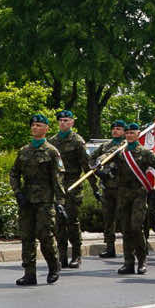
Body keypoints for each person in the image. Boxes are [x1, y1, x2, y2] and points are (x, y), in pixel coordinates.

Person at [103, 122, 155, 275]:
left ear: (138, 134)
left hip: (139, 193)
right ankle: (128, 262)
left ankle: (141, 260)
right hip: (123, 193)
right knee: (126, 228)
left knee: (136, 227)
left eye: (132, 133)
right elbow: (103, 158)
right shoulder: (120, 152)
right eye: (127, 133)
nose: (129, 135)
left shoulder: (145, 153)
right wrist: (99, 167)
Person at [9, 114, 66, 286]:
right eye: (33, 125)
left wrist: (60, 203)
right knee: (26, 237)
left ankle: (54, 265)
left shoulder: (51, 151)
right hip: (26, 200)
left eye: (39, 125)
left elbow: (58, 179)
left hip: (45, 200)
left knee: (45, 236)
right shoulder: (24, 151)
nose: (35, 128)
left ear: (47, 129)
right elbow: (14, 173)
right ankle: (29, 273)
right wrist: (18, 192)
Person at [49, 110, 100, 269]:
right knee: (59, 222)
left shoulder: (78, 141)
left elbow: (87, 166)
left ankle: (76, 255)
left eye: (66, 120)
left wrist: (95, 187)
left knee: (72, 221)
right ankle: (62, 255)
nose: (63, 123)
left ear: (72, 123)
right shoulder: (52, 141)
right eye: (61, 120)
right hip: (58, 187)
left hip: (73, 185)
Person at [89, 120, 127, 258]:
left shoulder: (126, 144)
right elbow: (91, 159)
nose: (115, 131)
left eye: (118, 129)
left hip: (122, 188)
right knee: (108, 219)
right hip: (107, 187)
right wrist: (97, 172)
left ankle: (132, 247)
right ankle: (110, 247)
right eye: (114, 129)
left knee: (125, 219)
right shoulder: (105, 146)